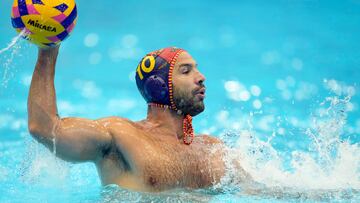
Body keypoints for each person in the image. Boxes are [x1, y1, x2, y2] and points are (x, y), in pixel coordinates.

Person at [28, 46, 250, 192]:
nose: (201, 78)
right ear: (158, 86)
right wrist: (48, 51)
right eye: (186, 71)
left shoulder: (212, 149)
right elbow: (45, 128)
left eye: (197, 70)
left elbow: (259, 190)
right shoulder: (121, 135)